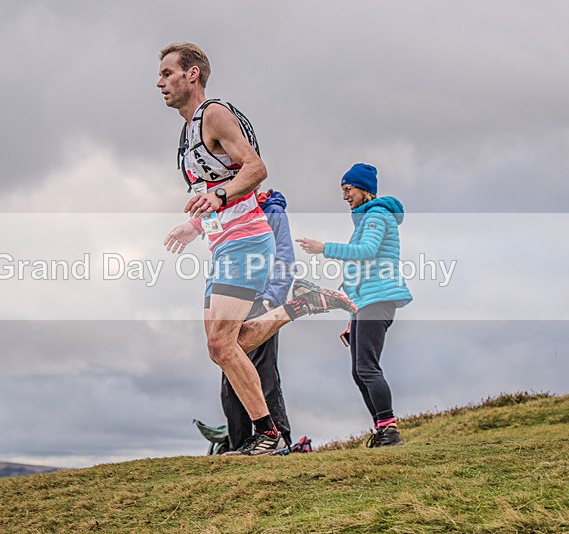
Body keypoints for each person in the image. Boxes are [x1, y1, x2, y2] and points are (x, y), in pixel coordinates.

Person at [157, 42, 356, 455]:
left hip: (246, 241)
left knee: (221, 346)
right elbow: (215, 191)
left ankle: (268, 435)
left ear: (191, 75)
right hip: (222, 243)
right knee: (228, 346)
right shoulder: (189, 130)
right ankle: (302, 305)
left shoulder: (213, 113)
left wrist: (220, 198)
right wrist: (195, 225)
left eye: (167, 73)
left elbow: (256, 169)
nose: (159, 82)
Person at [297, 163, 412, 448]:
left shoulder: (376, 215)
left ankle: (389, 430)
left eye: (348, 190)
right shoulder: (368, 220)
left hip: (378, 300)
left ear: (363, 189)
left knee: (367, 367)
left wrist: (324, 248)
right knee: (360, 369)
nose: (345, 196)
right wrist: (352, 310)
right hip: (367, 302)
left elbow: (366, 252)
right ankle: (383, 430)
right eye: (343, 191)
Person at [221, 188, 294, 451]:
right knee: (231, 370)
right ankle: (240, 443)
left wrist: (272, 298)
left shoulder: (273, 211)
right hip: (234, 299)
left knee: (264, 371)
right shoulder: (233, 212)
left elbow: (284, 256)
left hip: (262, 299)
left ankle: (280, 439)